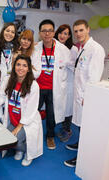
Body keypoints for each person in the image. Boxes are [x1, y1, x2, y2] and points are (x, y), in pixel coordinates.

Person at [0, 54, 43, 166]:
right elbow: (1, 96)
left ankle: (28, 152)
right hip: (13, 119)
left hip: (27, 121)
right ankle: (19, 149)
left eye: (24, 66)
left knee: (15, 138)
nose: (21, 68)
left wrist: (19, 127)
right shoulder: (8, 80)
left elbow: (31, 109)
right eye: (18, 65)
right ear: (14, 66)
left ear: (28, 69)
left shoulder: (33, 85)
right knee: (6, 139)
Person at [64, 19, 105, 168]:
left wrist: (87, 96)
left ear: (88, 29)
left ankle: (82, 157)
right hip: (80, 94)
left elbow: (94, 77)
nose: (78, 33)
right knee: (81, 125)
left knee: (86, 127)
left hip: (86, 96)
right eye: (76, 31)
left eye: (81, 30)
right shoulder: (83, 48)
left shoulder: (96, 49)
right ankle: (80, 144)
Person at [32, 19, 71, 150]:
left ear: (54, 32)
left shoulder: (63, 49)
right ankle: (31, 134)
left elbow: (71, 67)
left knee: (51, 114)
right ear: (40, 33)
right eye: (44, 31)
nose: (47, 34)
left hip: (54, 88)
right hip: (38, 87)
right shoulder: (36, 48)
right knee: (32, 111)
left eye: (49, 31)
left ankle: (50, 136)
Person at [54, 24, 78, 142]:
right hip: (58, 82)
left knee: (67, 107)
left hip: (68, 82)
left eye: (65, 33)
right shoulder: (54, 46)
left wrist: (66, 63)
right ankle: (61, 127)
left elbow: (75, 67)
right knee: (59, 106)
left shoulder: (73, 49)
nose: (62, 36)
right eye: (60, 32)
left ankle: (67, 130)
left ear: (69, 36)